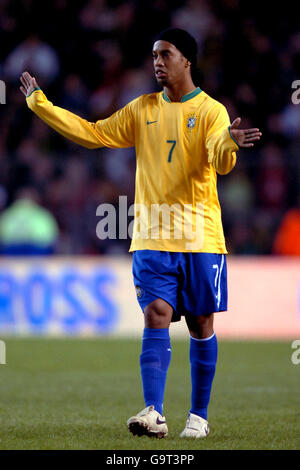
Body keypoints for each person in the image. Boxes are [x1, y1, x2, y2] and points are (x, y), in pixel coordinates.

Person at [20, 28, 261, 439]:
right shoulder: (141, 109)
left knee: (202, 323)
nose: (157, 62)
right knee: (156, 315)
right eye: (154, 55)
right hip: (151, 236)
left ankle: (198, 417)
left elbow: (219, 160)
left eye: (165, 54)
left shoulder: (211, 112)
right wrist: (39, 104)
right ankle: (153, 412)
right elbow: (93, 134)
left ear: (187, 60)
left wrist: (230, 144)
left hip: (200, 237)